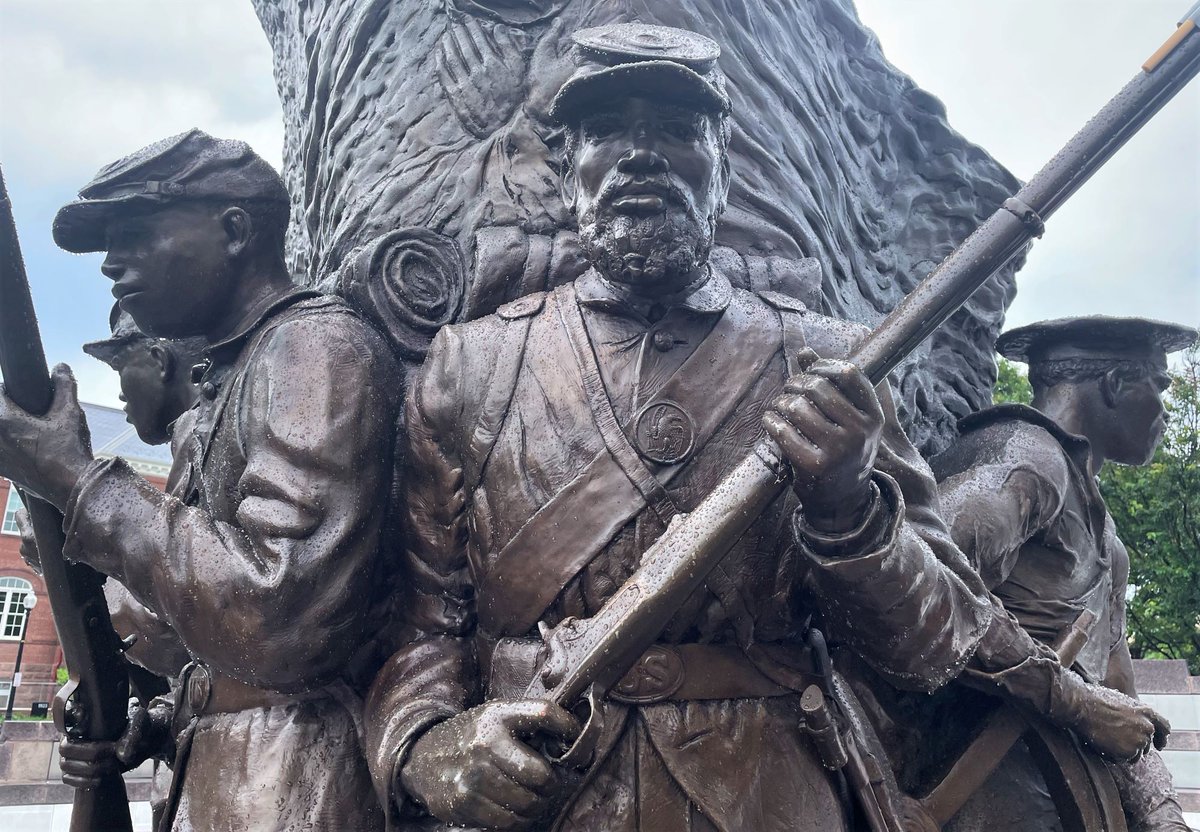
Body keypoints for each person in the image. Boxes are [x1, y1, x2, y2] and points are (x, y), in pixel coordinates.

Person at [362, 23, 998, 832]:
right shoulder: (468, 367)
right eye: (606, 130)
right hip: (547, 797)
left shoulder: (830, 359)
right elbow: (421, 626)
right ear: (566, 173)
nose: (640, 154)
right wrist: (426, 747)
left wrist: (847, 510)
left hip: (767, 797)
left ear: (722, 170)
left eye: (675, 128)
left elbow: (933, 646)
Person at [0, 128, 401, 831]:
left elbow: (276, 615)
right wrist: (159, 716)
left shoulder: (313, 350)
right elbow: (204, 637)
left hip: (290, 788)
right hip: (238, 775)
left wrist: (73, 478)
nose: (111, 266)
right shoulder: (236, 375)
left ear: (236, 228)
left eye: (135, 233)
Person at [933, 316, 1196, 832]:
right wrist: (1076, 701)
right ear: (1116, 384)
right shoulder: (1026, 459)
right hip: (968, 788)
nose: (1165, 411)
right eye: (1158, 385)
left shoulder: (1109, 543)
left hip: (1073, 798)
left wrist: (1164, 815)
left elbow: (1122, 705)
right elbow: (917, 586)